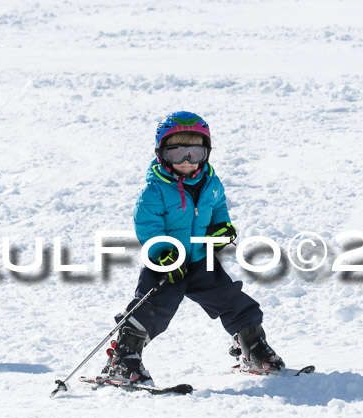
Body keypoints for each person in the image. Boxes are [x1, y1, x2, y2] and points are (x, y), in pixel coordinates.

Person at [100, 111, 284, 384]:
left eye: (194, 153)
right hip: (167, 264)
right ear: (161, 153)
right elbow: (148, 228)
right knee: (150, 309)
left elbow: (219, 209)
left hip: (200, 260)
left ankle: (253, 347)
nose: (186, 161)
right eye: (177, 154)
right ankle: (124, 358)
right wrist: (162, 254)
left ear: (206, 152)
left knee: (234, 302)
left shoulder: (211, 183)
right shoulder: (154, 191)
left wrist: (221, 228)